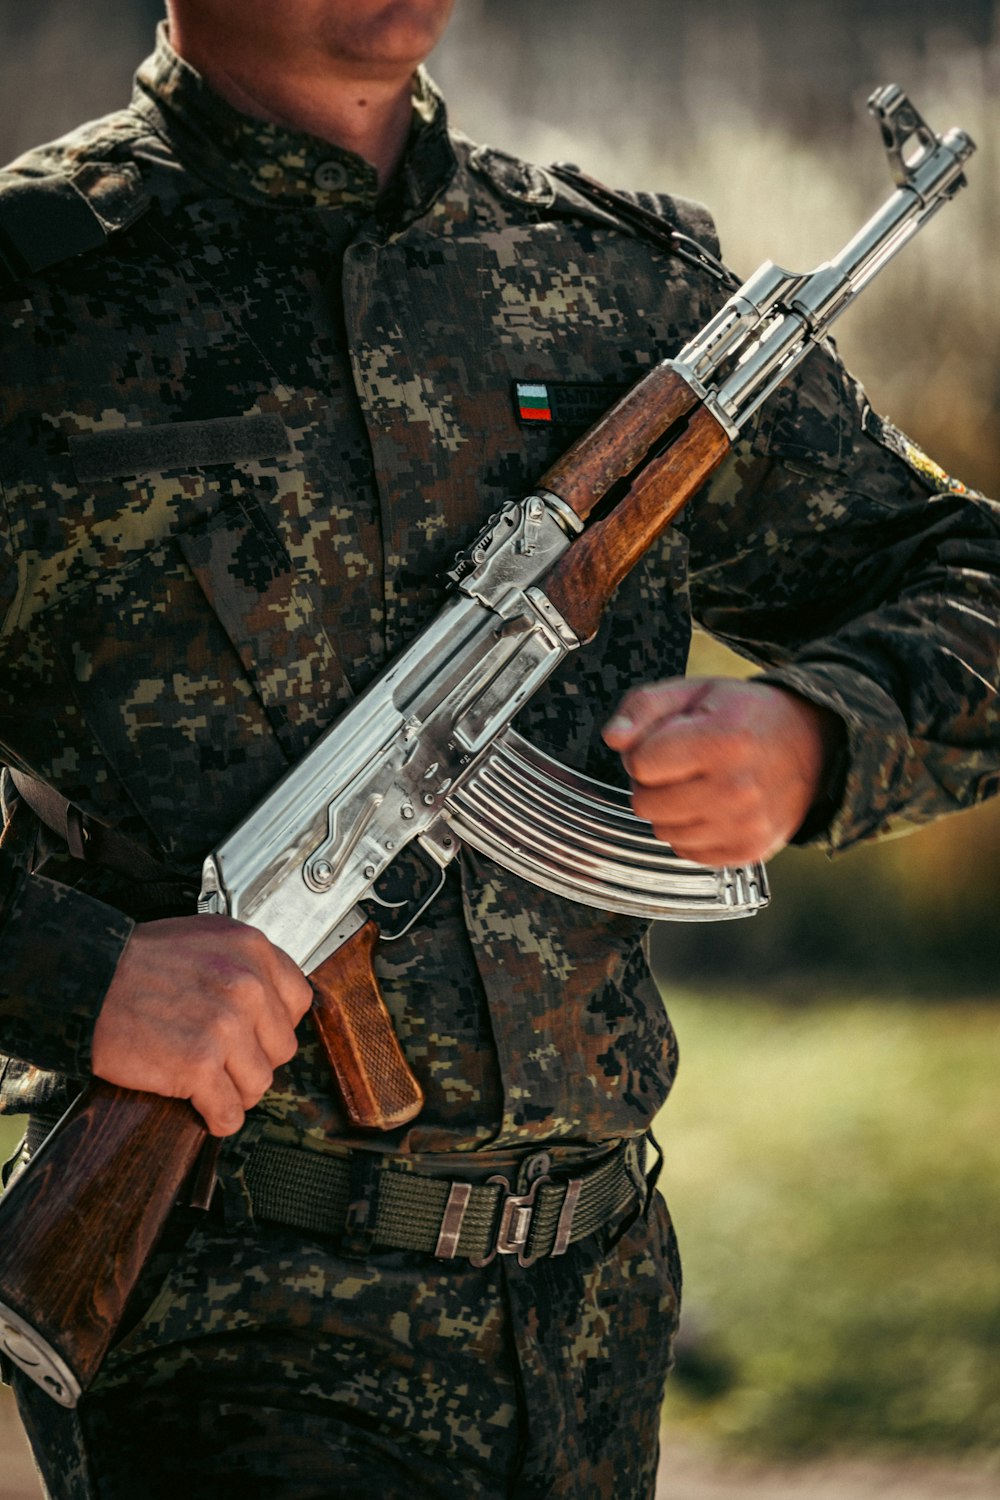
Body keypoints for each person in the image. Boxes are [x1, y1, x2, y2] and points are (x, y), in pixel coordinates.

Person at [0, 3, 997, 1496]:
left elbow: (961, 575)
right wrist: (83, 978)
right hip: (233, 1321)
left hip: (592, 1306)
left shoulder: (616, 286)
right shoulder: (36, 301)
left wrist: (814, 735)